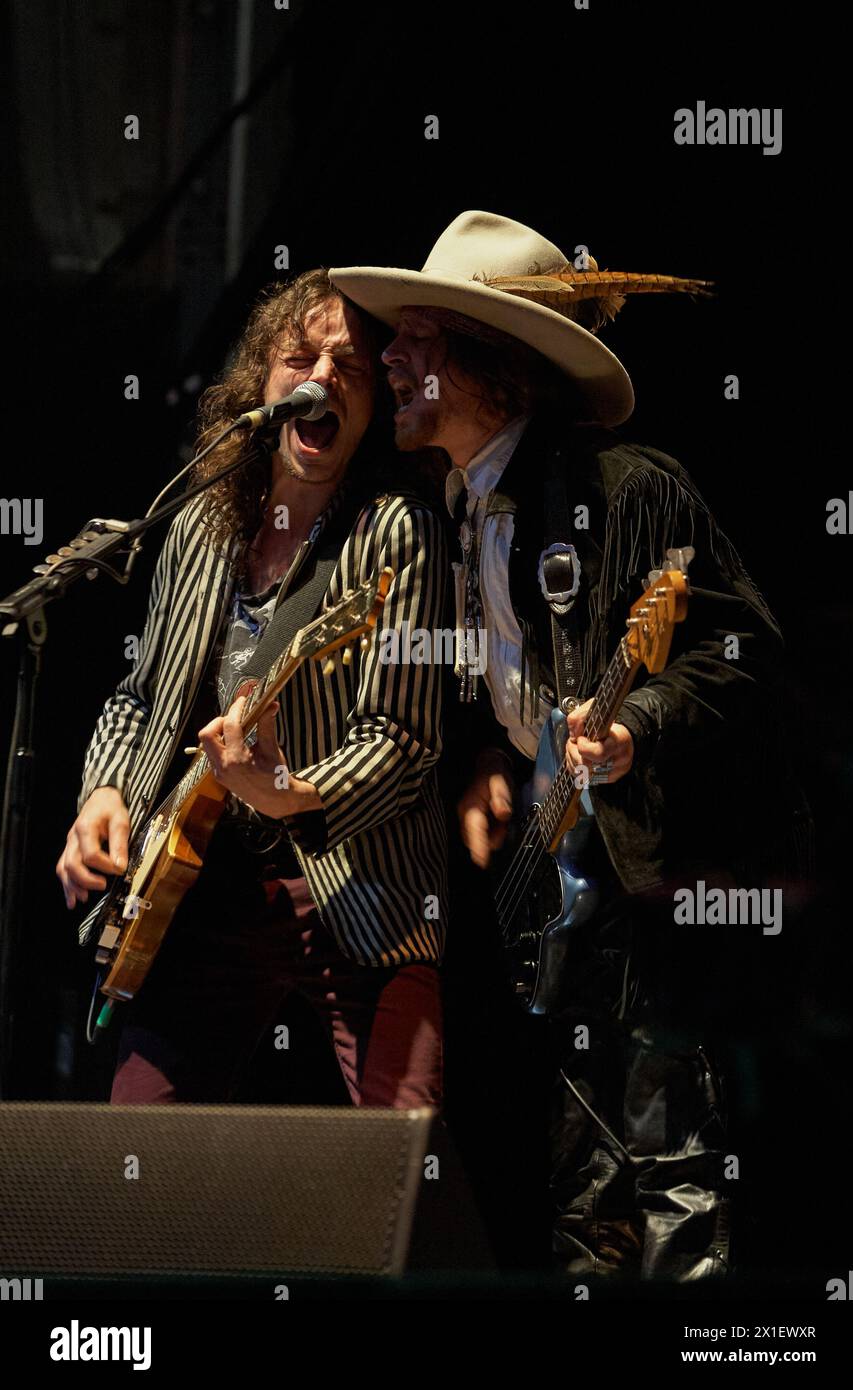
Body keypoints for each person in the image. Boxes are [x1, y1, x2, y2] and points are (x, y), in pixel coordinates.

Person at [330, 211, 813, 1278]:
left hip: (656, 877)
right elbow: (502, 690)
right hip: (562, 884)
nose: (389, 357)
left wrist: (635, 725)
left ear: (495, 365)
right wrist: (487, 767)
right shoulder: (455, 504)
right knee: (580, 1178)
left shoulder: (628, 486)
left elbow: (746, 652)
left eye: (420, 336)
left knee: (668, 1164)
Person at [57, 269, 449, 1110]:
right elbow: (140, 696)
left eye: (348, 368)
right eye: (299, 358)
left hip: (355, 882)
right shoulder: (202, 521)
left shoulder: (396, 531)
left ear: (374, 401)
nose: (320, 380)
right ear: (259, 384)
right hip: (202, 877)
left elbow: (404, 740)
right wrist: (105, 792)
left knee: (406, 1155)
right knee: (139, 1150)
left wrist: (287, 791)